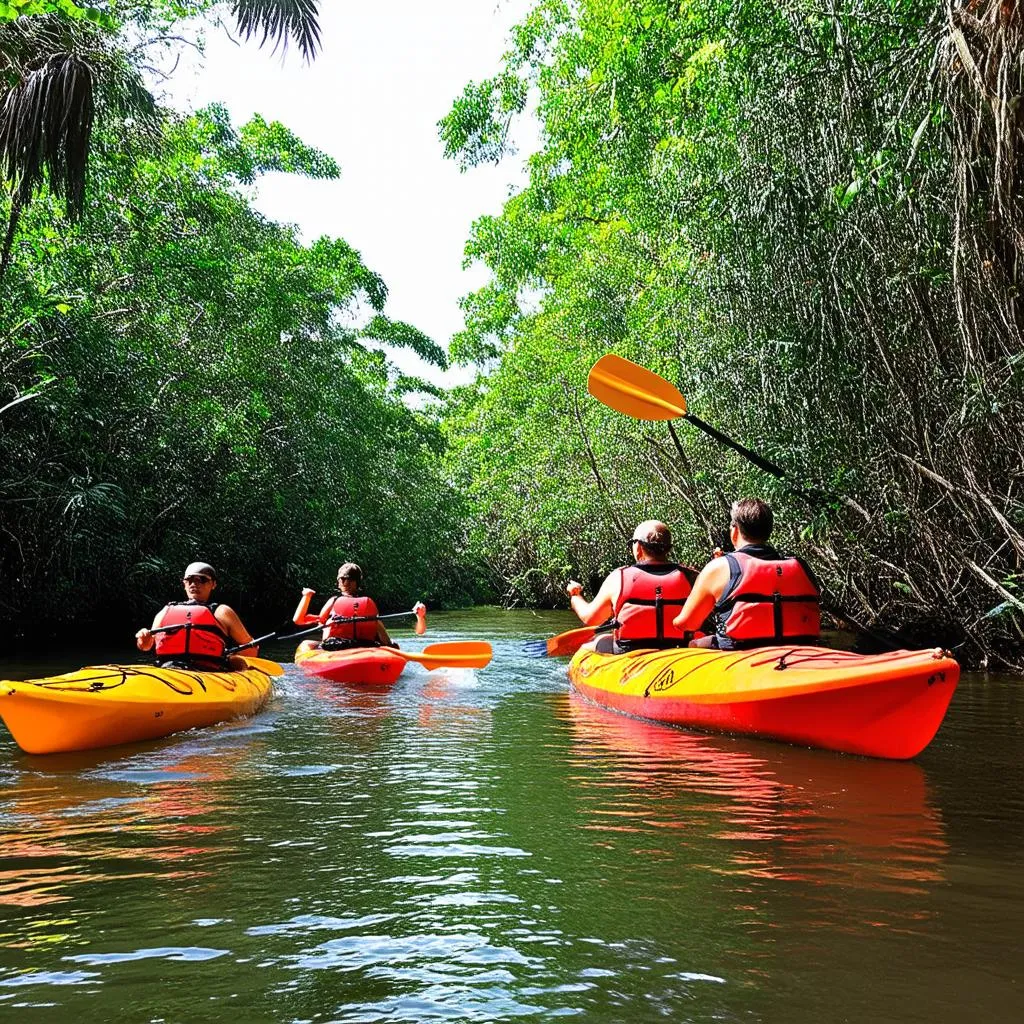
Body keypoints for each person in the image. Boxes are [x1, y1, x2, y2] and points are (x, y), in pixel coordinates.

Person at [672, 498, 821, 649]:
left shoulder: (719, 567)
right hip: (800, 649)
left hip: (740, 652)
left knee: (694, 644)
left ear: (734, 531)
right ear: (769, 531)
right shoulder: (801, 566)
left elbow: (687, 624)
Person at [565, 521, 697, 654]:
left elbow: (591, 618)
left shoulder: (619, 577)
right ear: (668, 548)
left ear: (638, 547)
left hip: (628, 651)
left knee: (593, 644)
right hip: (679, 650)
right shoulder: (691, 576)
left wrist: (575, 596)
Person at [135, 562, 258, 670]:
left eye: (202, 580)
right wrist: (143, 639)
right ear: (184, 584)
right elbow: (146, 646)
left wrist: (232, 659)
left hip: (209, 671)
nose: (194, 584)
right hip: (168, 668)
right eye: (190, 580)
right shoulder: (166, 611)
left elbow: (251, 649)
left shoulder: (221, 612)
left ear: (213, 584)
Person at [292, 562, 397, 649]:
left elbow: (299, 620)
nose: (345, 582)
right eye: (344, 579)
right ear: (358, 583)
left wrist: (307, 596)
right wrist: (390, 646)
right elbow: (385, 639)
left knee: (306, 644)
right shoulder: (368, 603)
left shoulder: (334, 601)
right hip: (366, 645)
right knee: (393, 644)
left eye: (345, 580)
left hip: (335, 647)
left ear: (339, 583)